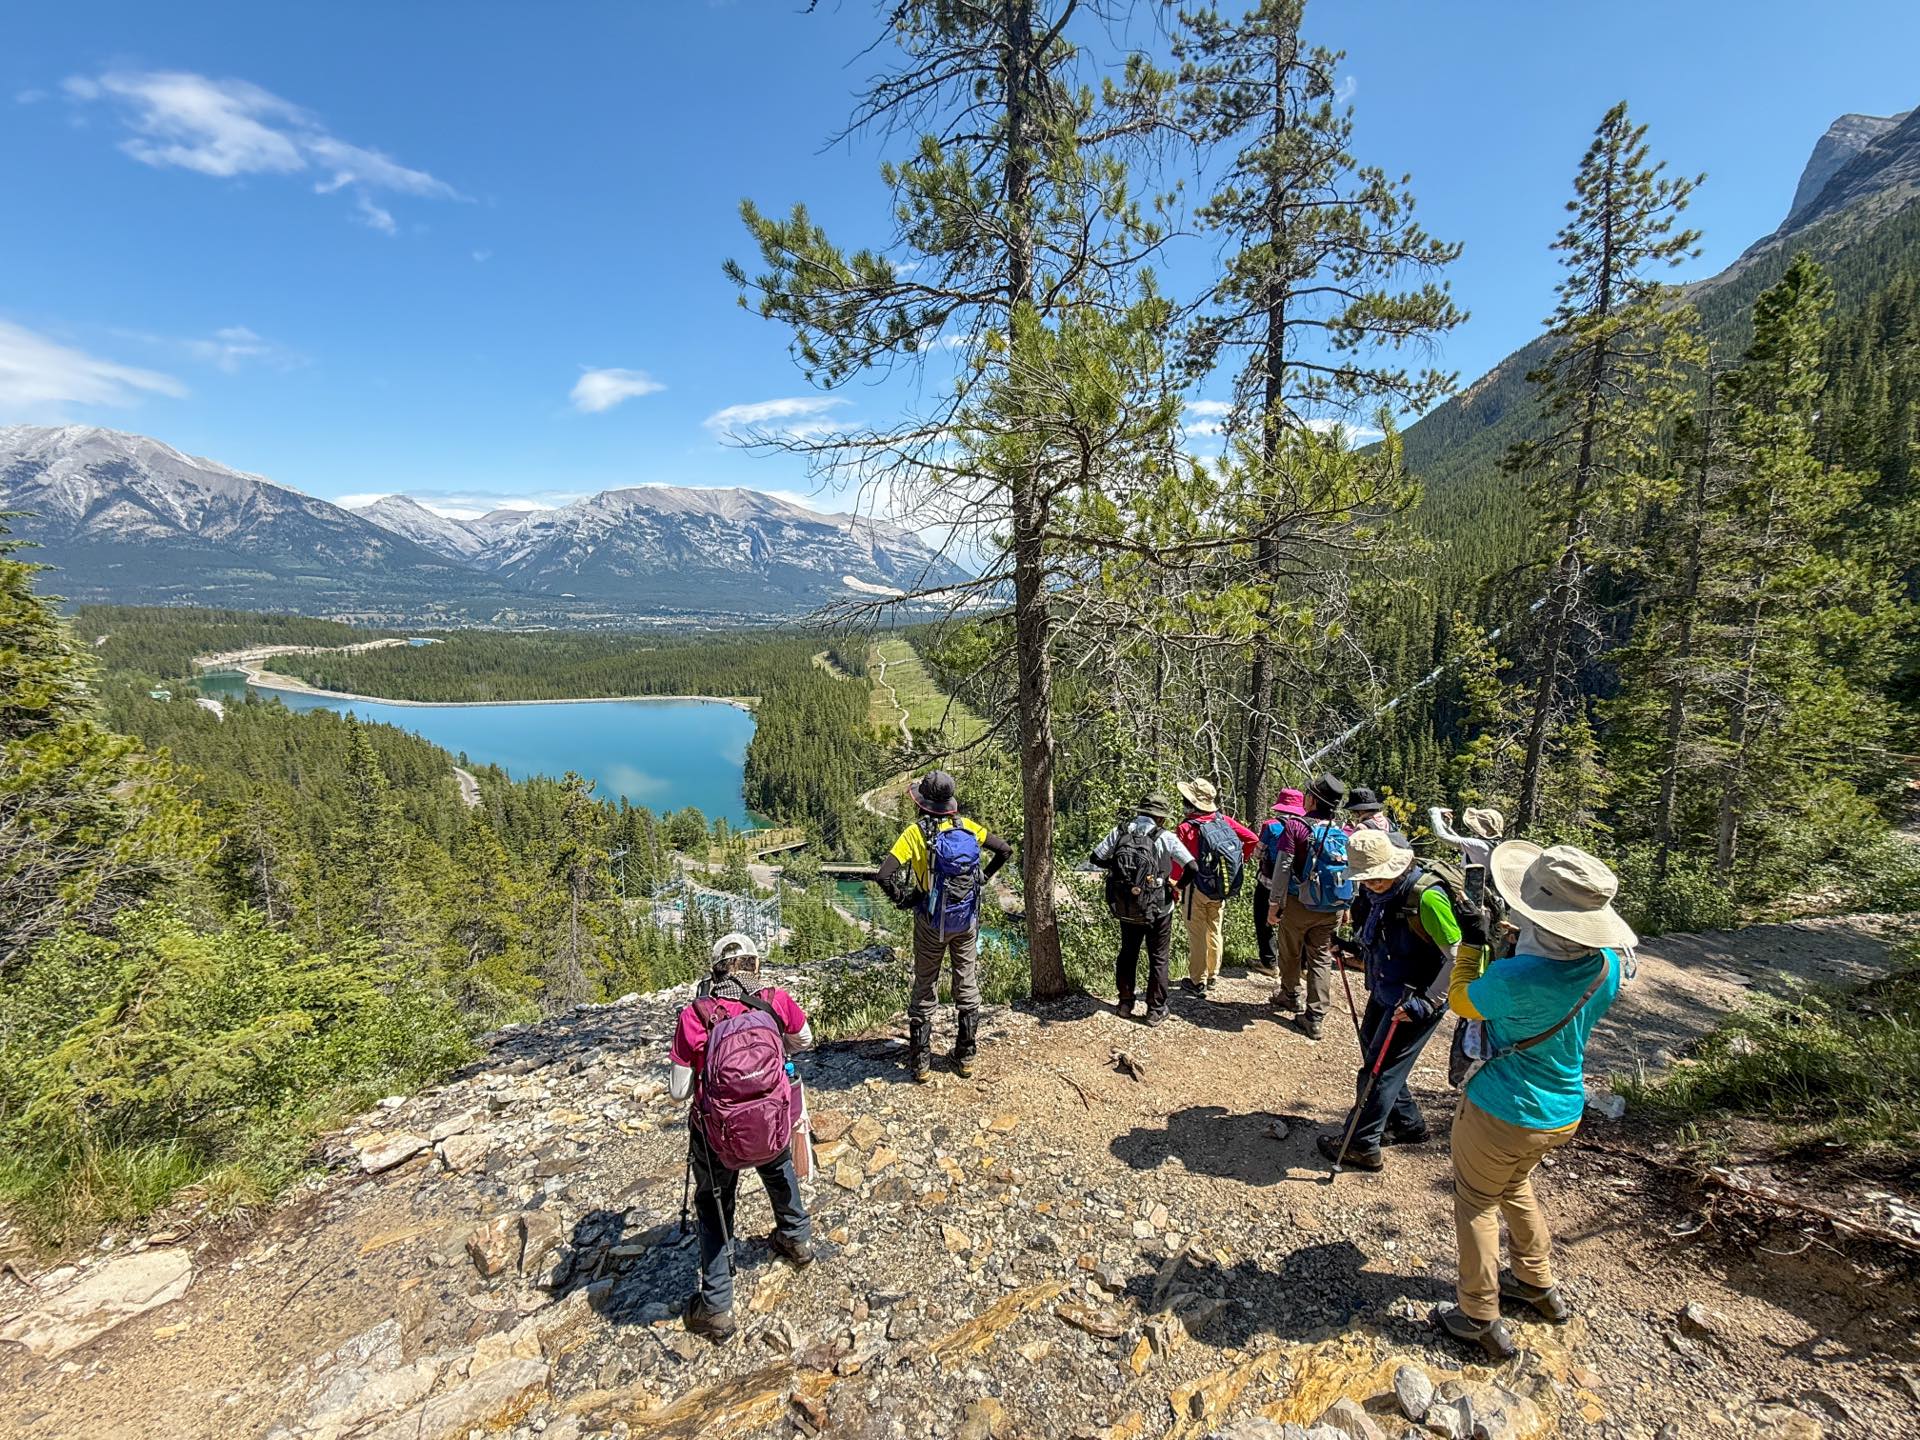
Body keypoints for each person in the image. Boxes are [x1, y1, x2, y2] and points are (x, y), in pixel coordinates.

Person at [1433, 842, 1630, 1360]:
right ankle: (1536, 1282)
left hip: (1503, 1108)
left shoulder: (1515, 978)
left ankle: (1478, 1314)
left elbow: (1462, 1001)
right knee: (1513, 1184)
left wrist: (1472, 948)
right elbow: (1548, 978)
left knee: (1476, 1201)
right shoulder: (1606, 966)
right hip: (1561, 1110)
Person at [669, 932, 815, 1342]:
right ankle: (797, 1239)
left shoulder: (696, 1015)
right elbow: (805, 1040)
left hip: (717, 1131)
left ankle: (717, 1306)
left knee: (714, 1201)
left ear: (715, 971)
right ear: (755, 965)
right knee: (778, 1167)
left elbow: (679, 1091)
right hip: (769, 1117)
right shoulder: (774, 999)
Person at [1315, 829, 1479, 1171]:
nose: (1372, 882)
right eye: (1366, 877)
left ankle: (1361, 1145)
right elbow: (1390, 940)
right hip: (1388, 988)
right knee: (1373, 1052)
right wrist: (1350, 948)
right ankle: (1407, 1123)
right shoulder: (1379, 895)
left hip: (1416, 999)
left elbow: (1457, 955)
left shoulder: (1426, 899)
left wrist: (1428, 1002)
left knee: (1379, 1070)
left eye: (1378, 875)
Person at [874, 770, 1012, 1082]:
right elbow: (1004, 850)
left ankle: (921, 1063)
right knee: (966, 981)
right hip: (965, 919)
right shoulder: (967, 827)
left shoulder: (915, 833)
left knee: (925, 985)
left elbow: (883, 875)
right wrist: (982, 878)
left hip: (930, 921)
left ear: (922, 803)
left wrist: (904, 899)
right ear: (950, 803)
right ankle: (965, 1056)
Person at [1091, 792, 1194, 1027]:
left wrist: (1118, 870)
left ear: (1140, 812)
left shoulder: (1121, 832)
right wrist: (1178, 885)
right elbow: (1192, 866)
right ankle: (1155, 1010)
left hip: (1127, 906)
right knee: (1158, 957)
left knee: (1128, 952)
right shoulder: (1165, 837)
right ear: (1161, 818)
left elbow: (1095, 857)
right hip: (1159, 907)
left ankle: (1125, 1003)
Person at [1267, 771, 1349, 1038]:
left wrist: (1274, 903)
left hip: (1298, 902)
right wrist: (1346, 906)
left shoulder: (1296, 827)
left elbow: (1283, 867)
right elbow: (1351, 870)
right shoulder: (1340, 831)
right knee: (1321, 957)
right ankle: (1315, 1017)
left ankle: (1290, 995)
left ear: (1312, 799)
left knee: (1290, 949)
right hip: (1332, 906)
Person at [1173, 778, 1257, 997]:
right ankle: (1212, 974)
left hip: (1195, 888)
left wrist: (1175, 886)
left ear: (1190, 802)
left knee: (1197, 934)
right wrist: (1239, 862)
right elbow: (1251, 839)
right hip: (1220, 886)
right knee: (1215, 929)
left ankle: (1197, 981)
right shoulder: (1223, 820)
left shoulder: (1186, 828)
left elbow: (1178, 864)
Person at [1430, 806, 1505, 871]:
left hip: (1467, 881)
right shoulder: (1494, 844)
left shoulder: (1478, 845)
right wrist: (1447, 827)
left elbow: (1442, 836)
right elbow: (1459, 840)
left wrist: (1434, 813)